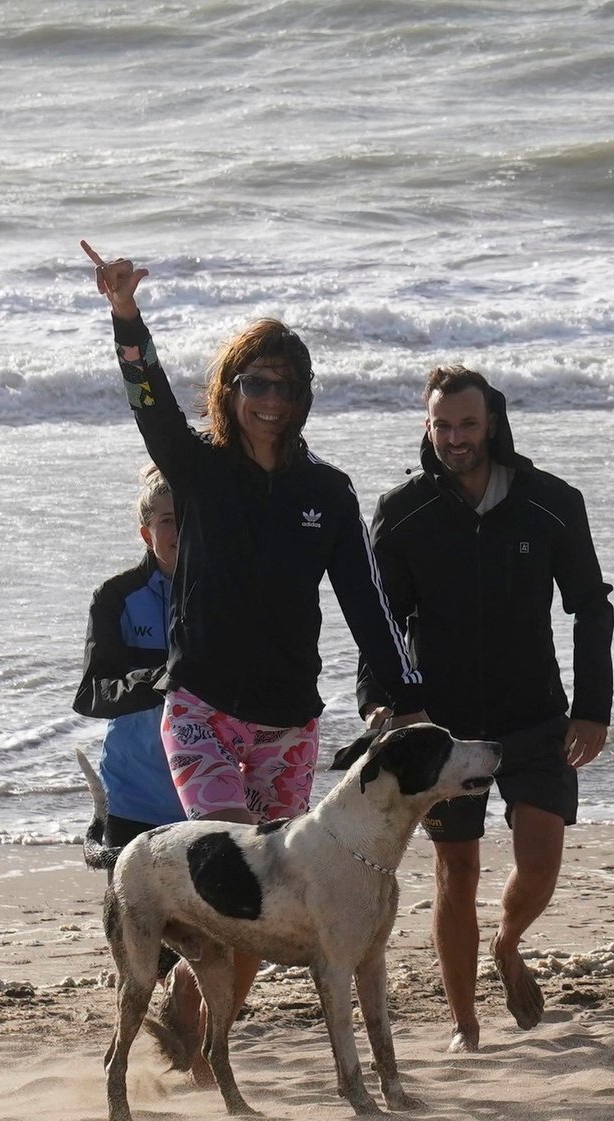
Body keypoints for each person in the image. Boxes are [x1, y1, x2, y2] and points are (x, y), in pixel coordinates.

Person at [82, 241, 428, 1061]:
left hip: (288, 722)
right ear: (232, 391)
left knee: (267, 900)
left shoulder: (327, 493)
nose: (272, 401)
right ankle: (193, 1020)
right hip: (200, 707)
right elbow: (147, 401)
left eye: (287, 387)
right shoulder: (198, 471)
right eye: (257, 385)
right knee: (233, 860)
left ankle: (199, 1028)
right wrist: (125, 316)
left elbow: (368, 604)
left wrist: (405, 693)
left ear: (304, 397)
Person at [358, 365, 614, 1052]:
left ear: (492, 423)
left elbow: (591, 606)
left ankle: (508, 941)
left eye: (467, 424)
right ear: (427, 426)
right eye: (442, 425)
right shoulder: (403, 513)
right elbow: (380, 620)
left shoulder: (551, 503)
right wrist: (381, 700)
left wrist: (593, 708)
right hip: (443, 729)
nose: (454, 438)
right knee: (456, 871)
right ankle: (465, 1027)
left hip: (534, 714)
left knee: (540, 861)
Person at [72, 465, 205, 1061]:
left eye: (188, 518)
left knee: (208, 939)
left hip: (207, 797)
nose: (179, 530)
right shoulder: (118, 597)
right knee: (139, 955)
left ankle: (190, 1037)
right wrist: (159, 680)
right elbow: (92, 693)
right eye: (167, 520)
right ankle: (121, 1059)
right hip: (134, 799)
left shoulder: (226, 590)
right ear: (146, 531)